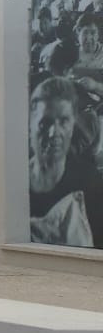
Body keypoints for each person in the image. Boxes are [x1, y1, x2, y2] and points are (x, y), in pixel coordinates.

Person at [28, 76, 103, 247]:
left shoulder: (91, 183)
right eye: (44, 123)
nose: (54, 132)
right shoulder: (11, 179)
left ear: (72, 126)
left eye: (64, 121)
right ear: (30, 125)